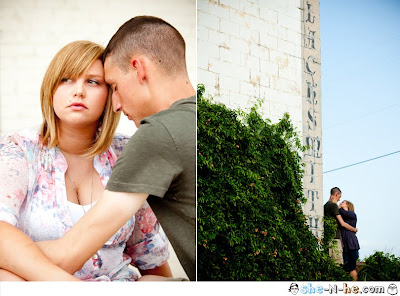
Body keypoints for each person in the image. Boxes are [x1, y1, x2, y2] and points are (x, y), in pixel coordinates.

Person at [34, 16, 196, 281]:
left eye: (113, 87)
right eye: (66, 80)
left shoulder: (155, 135)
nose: (116, 104)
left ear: (138, 69)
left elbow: (68, 254)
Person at [0, 40, 171, 281]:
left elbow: (149, 253)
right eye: (67, 79)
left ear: (111, 94)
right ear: (51, 90)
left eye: (92, 82)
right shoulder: (18, 149)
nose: (78, 91)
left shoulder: (127, 152)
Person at [324, 187, 358, 265]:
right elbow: (342, 223)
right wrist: (354, 229)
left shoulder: (326, 205)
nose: (339, 200)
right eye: (339, 197)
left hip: (328, 238)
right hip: (335, 238)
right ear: (336, 194)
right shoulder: (333, 206)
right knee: (337, 264)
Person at [339, 200, 360, 281]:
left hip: (351, 245)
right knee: (347, 268)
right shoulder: (343, 215)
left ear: (348, 205)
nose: (340, 203)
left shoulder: (352, 214)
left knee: (351, 268)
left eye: (343, 202)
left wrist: (337, 207)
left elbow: (342, 212)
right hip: (346, 245)